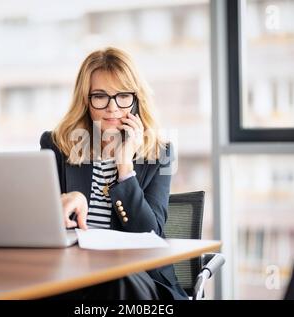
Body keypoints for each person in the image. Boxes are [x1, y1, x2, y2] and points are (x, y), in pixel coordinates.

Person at [40, 47, 188, 300]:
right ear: (85, 100)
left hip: (136, 279)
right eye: (100, 96)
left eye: (122, 96)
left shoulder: (160, 153)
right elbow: (39, 228)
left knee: (115, 278)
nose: (112, 108)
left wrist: (125, 167)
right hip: (73, 276)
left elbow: (150, 236)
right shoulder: (57, 145)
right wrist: (60, 202)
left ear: (136, 99)